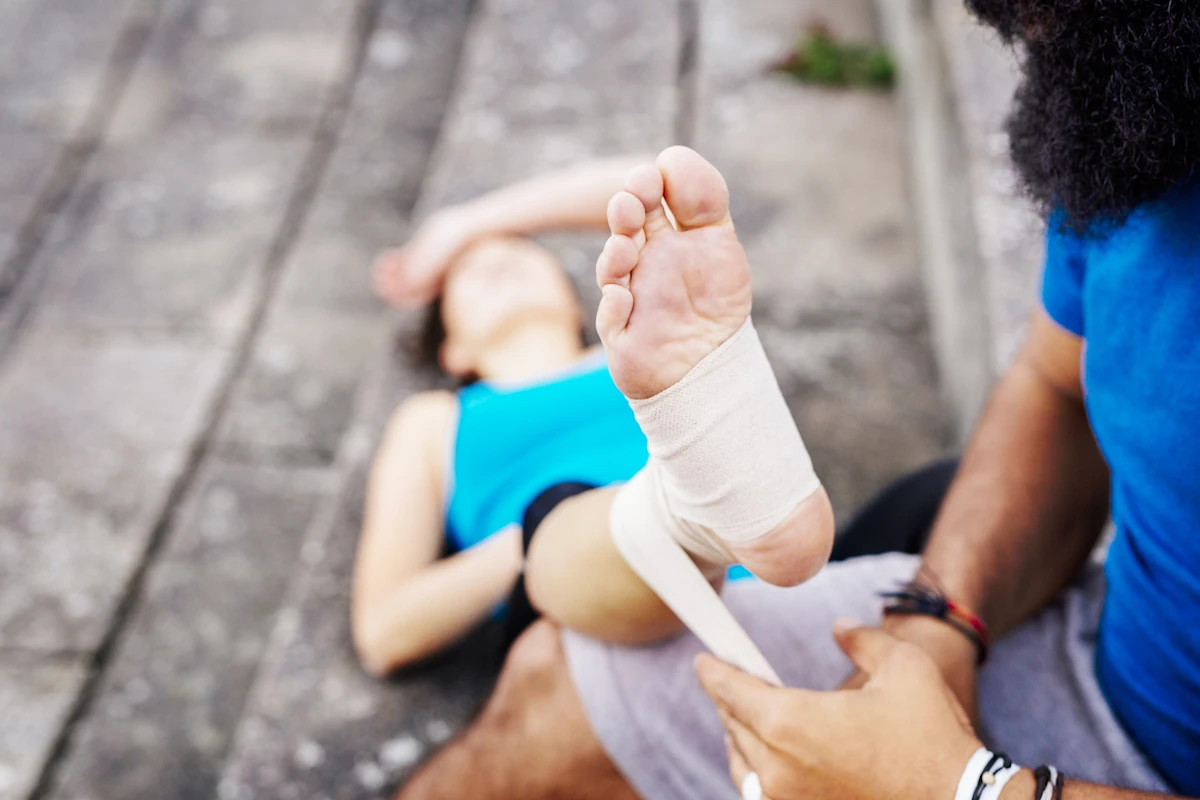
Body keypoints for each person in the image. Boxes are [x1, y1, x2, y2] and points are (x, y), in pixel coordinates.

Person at [393, 1, 1200, 797]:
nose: (1027, 31)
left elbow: (650, 184)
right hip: (1102, 659)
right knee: (555, 671)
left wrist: (965, 786)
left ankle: (694, 507)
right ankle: (692, 508)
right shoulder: (1133, 107)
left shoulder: (604, 342)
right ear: (451, 350)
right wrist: (937, 628)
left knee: (575, 558)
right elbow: (1055, 384)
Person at [352, 155, 792, 676]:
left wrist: (469, 224)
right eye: (466, 272)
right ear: (452, 350)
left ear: (577, 307)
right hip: (602, 626)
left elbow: (670, 189)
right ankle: (626, 527)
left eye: (519, 249)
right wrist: (538, 536)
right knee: (563, 508)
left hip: (768, 597)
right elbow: (384, 630)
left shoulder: (646, 346)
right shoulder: (435, 422)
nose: (497, 262)